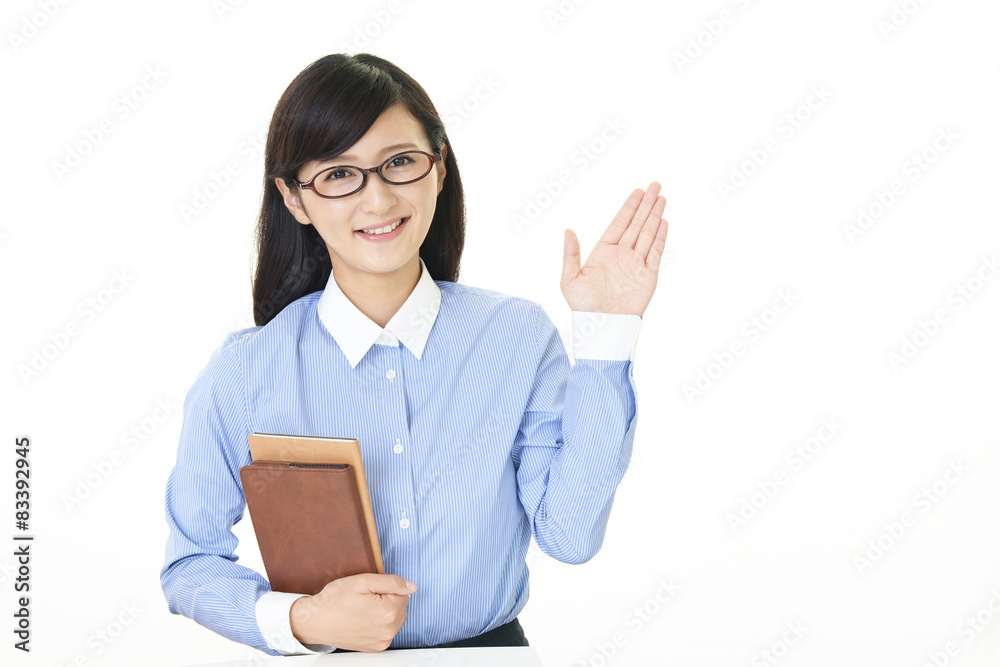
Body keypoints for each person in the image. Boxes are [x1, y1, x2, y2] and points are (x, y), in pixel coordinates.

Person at [159, 52, 667, 656]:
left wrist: (607, 335)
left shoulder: (517, 336)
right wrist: (303, 619)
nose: (377, 200)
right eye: (338, 174)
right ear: (294, 199)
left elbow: (570, 535)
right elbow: (190, 563)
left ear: (439, 167)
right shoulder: (245, 371)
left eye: (400, 162)